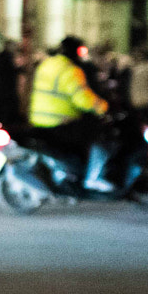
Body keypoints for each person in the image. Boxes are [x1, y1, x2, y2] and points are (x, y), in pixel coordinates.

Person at [30, 35, 112, 192]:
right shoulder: (70, 71)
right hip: (59, 122)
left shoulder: (46, 64)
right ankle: (93, 178)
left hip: (38, 120)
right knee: (97, 137)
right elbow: (82, 98)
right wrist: (102, 106)